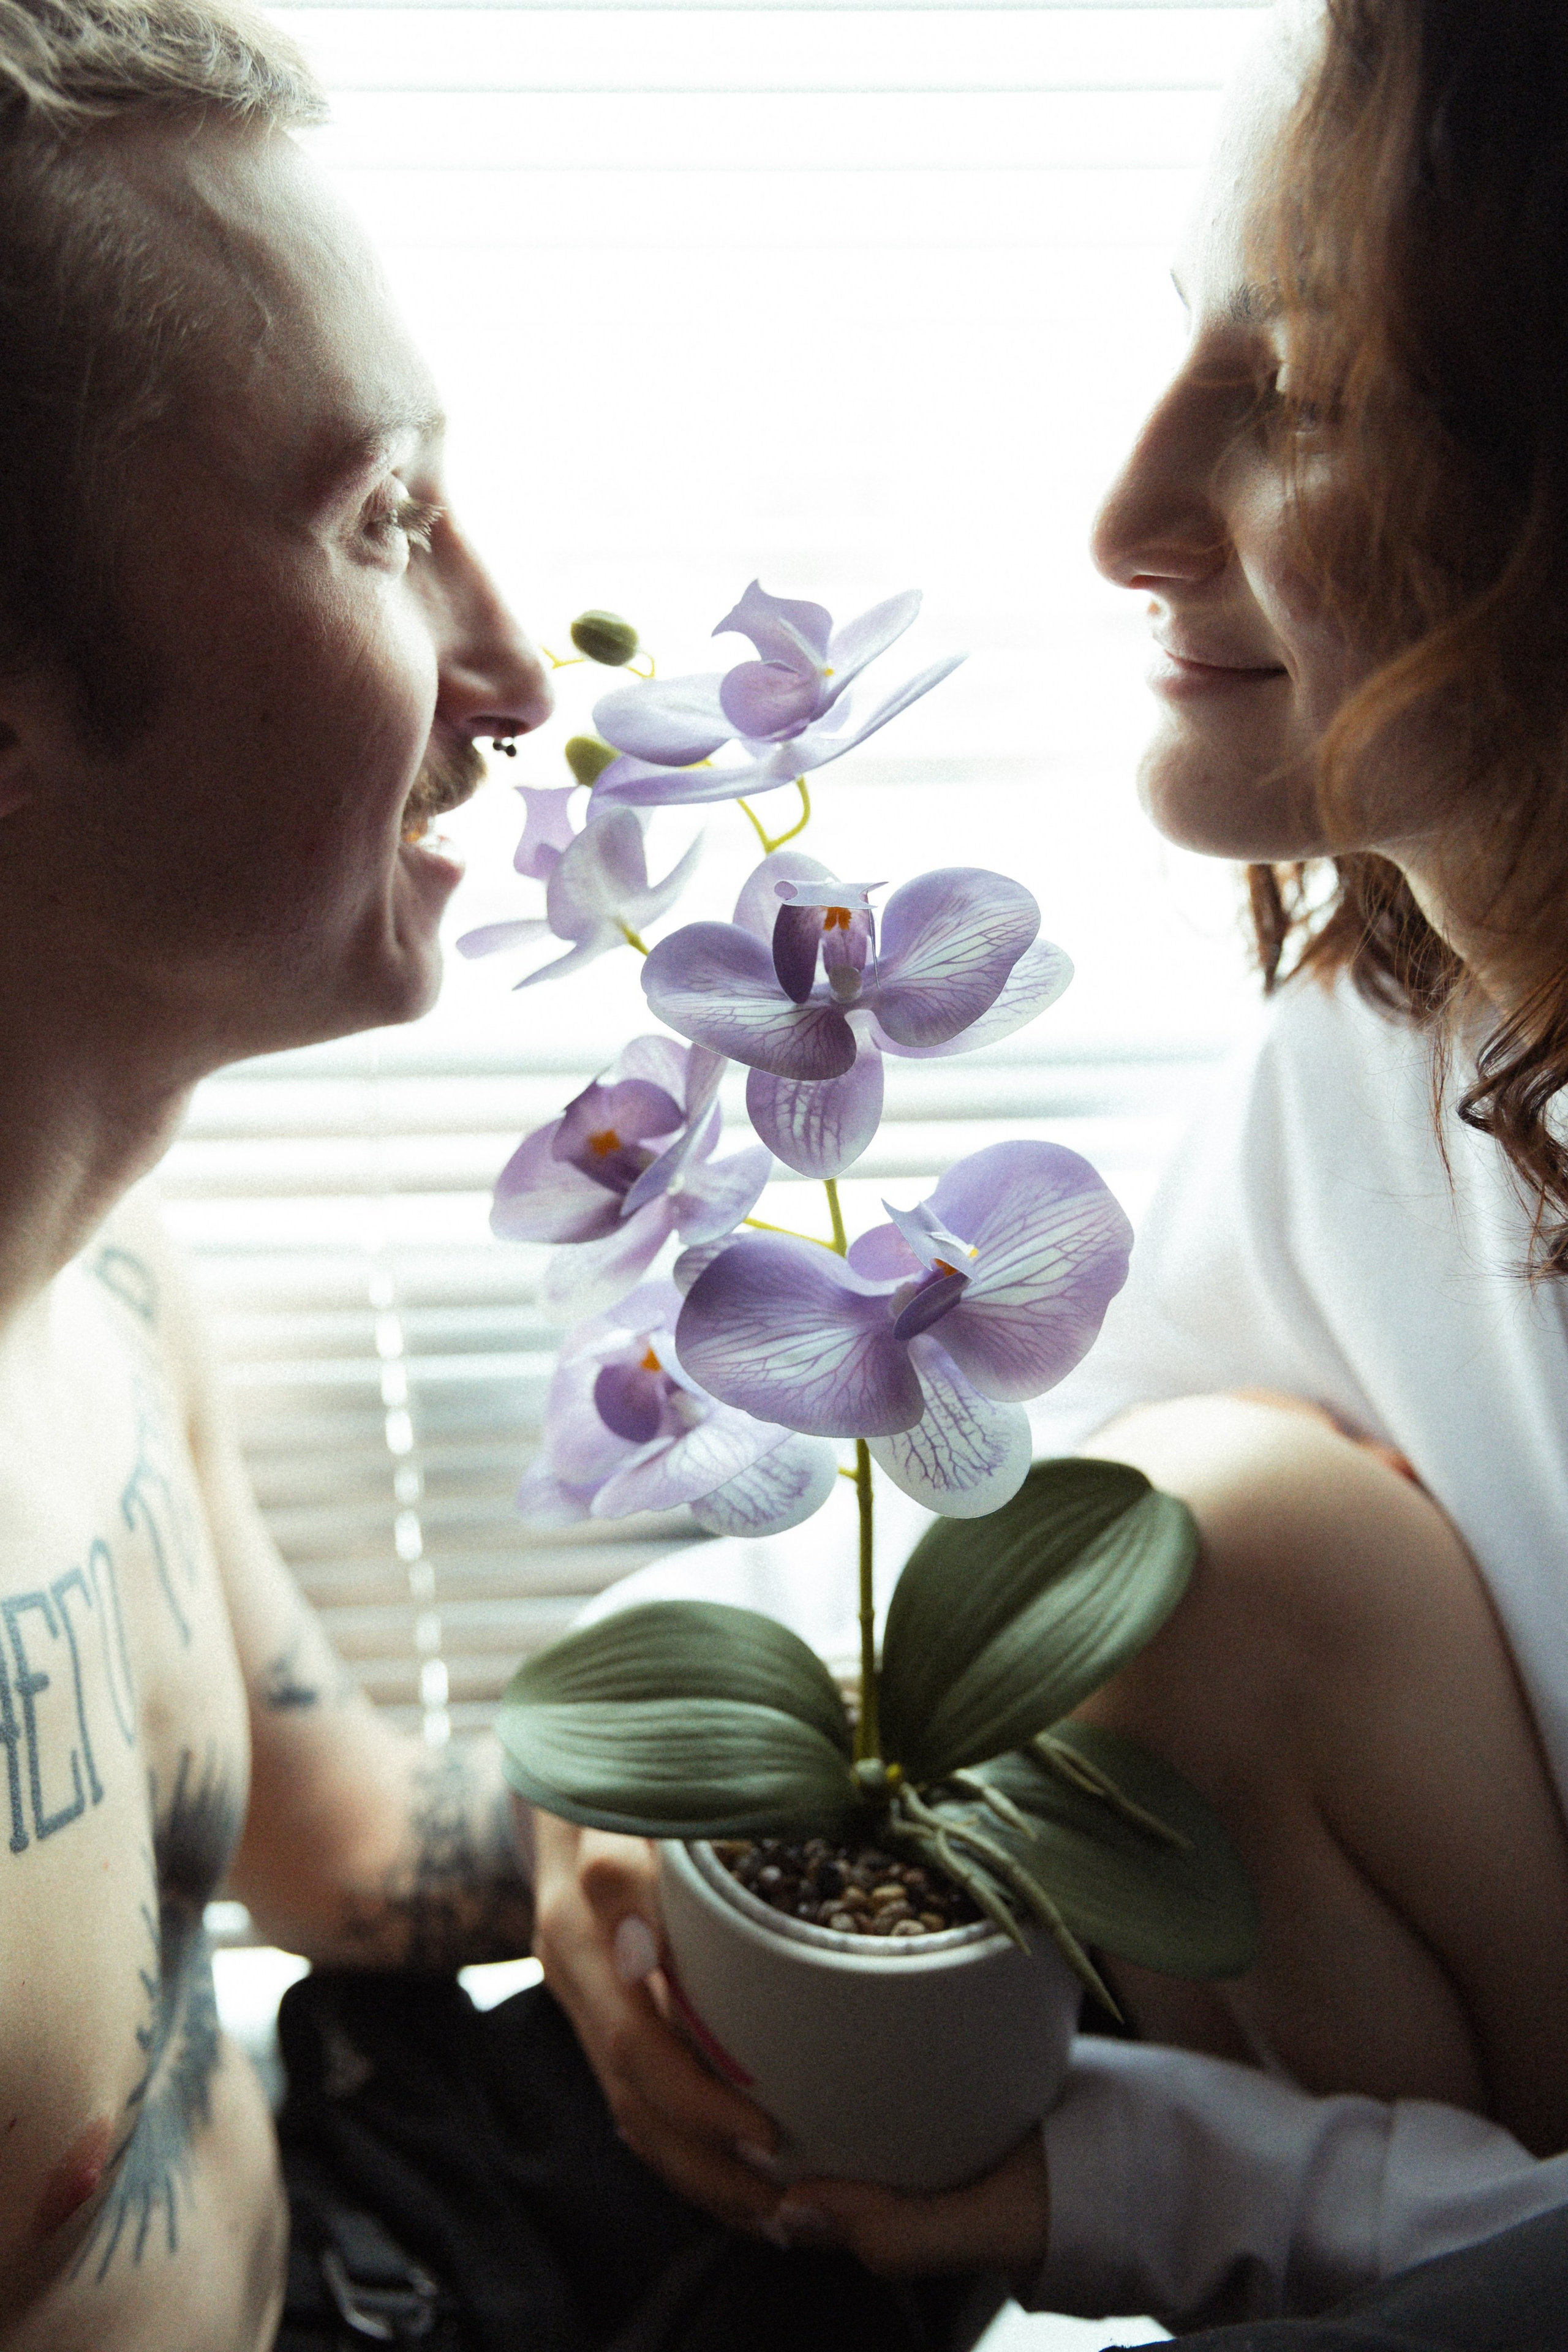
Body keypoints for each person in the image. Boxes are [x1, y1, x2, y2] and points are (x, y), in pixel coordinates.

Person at [532, 1, 1568, 2342]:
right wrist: (647, 1777)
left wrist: (1114, 2183)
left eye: (1304, 387)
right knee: (1208, 1520)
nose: (1122, 516)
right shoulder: (1394, 1048)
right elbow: (1015, 1520)